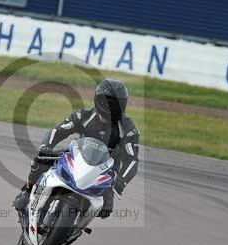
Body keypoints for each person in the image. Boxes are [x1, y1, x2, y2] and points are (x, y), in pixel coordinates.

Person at [13, 79, 140, 218]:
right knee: (41, 160)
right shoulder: (82, 116)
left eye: (116, 105)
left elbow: (132, 160)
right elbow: (57, 131)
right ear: (98, 100)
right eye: (107, 102)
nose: (110, 109)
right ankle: (27, 191)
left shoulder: (129, 130)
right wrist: (46, 147)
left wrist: (121, 181)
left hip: (105, 174)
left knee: (105, 210)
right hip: (76, 158)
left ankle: (77, 227)